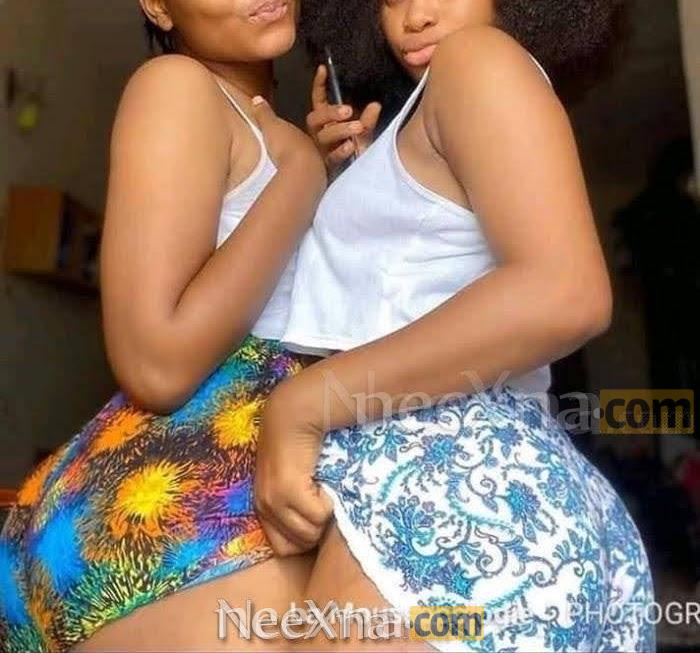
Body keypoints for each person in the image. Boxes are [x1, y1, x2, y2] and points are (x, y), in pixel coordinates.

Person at [252, 0, 656, 651]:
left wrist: (302, 405)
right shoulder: (437, 103)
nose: (414, 15)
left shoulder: (477, 57)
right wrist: (344, 175)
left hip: (453, 486)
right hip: (489, 496)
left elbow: (565, 293)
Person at [0, 1, 331, 651]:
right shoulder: (177, 86)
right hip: (170, 524)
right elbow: (156, 362)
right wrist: (304, 173)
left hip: (215, 512)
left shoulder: (271, 131)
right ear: (157, 5)